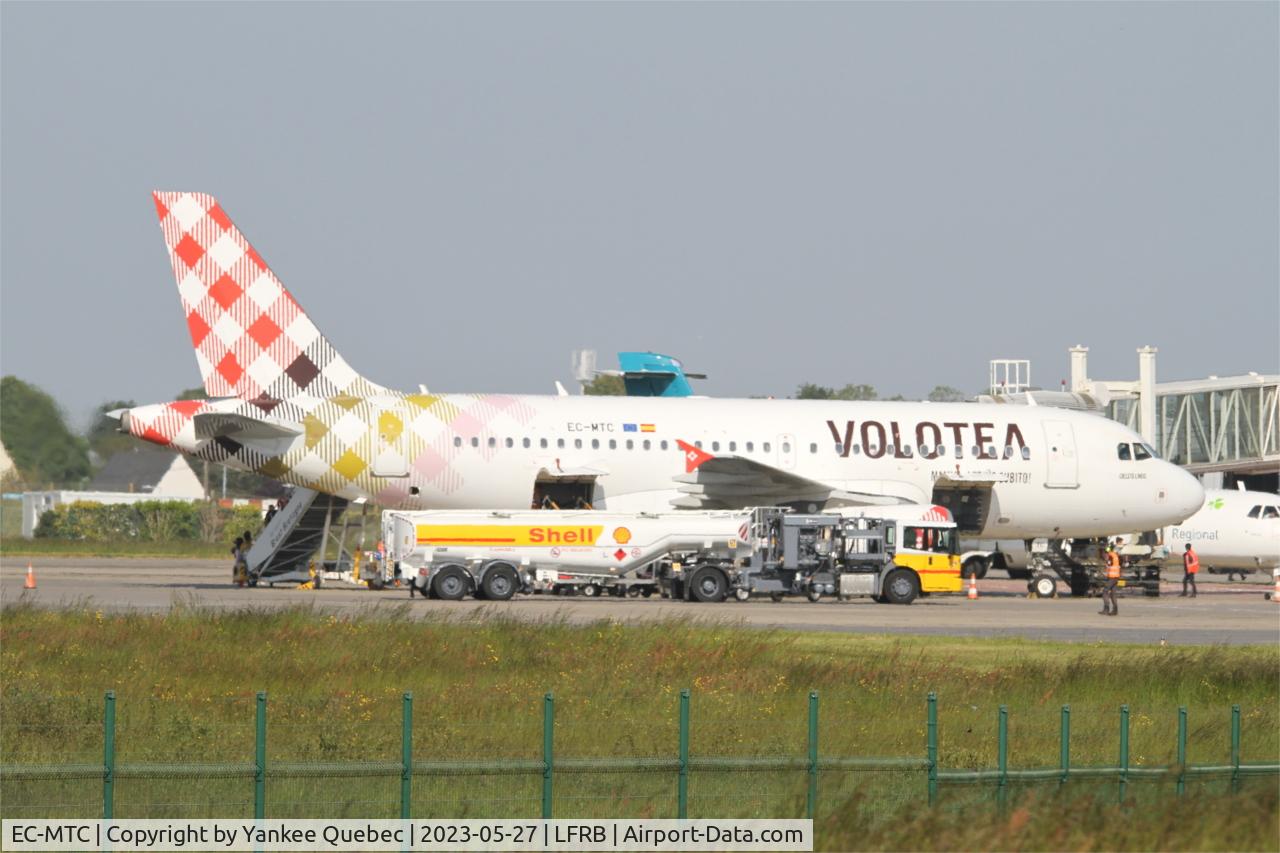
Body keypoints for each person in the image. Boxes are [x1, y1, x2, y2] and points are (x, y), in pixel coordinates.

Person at [1100, 542, 1121, 616]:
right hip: (1115, 577)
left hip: (1112, 577)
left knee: (1105, 591)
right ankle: (1115, 610)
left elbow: (1109, 563)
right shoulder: (1115, 555)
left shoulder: (1111, 556)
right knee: (1113, 594)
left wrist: (1106, 559)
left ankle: (1106, 608)